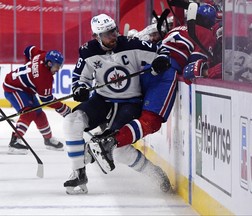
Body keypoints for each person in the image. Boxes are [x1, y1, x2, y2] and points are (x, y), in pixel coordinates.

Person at [86, 3, 221, 176]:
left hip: (145, 67)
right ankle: (109, 141)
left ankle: (105, 134)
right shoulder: (206, 33)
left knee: (132, 108)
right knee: (151, 120)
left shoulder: (177, 29)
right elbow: (193, 67)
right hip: (165, 72)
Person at [63, 13, 172, 195]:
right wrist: (80, 88)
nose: (113, 36)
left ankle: (154, 173)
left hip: (129, 102)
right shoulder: (88, 51)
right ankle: (78, 172)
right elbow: (79, 78)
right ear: (96, 37)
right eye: (107, 34)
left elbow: (162, 51)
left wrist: (161, 60)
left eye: (114, 31)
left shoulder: (131, 44)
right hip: (102, 100)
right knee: (72, 121)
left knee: (117, 147)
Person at [3, 46, 71, 155]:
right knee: (28, 113)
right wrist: (62, 108)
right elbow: (47, 99)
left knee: (39, 114)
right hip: (13, 88)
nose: (58, 70)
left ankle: (48, 140)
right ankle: (15, 141)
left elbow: (28, 49)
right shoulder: (44, 77)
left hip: (25, 88)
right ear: (49, 63)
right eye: (56, 67)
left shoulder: (43, 55)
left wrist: (28, 68)